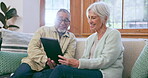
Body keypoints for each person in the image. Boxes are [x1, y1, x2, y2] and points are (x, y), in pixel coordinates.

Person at [46, 1, 124, 78]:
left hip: (105, 74)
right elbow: (84, 59)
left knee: (61, 70)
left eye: (93, 18)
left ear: (105, 18)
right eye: (89, 17)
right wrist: (70, 64)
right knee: (56, 69)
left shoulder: (114, 34)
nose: (90, 21)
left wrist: (78, 63)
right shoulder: (90, 38)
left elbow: (105, 60)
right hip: (91, 72)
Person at [10, 9, 76, 78]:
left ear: (69, 23)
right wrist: (45, 60)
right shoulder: (43, 30)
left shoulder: (71, 38)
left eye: (66, 20)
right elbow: (32, 48)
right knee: (19, 75)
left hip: (53, 68)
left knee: (39, 76)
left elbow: (69, 56)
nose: (63, 23)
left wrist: (55, 64)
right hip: (33, 62)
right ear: (55, 20)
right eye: (60, 19)